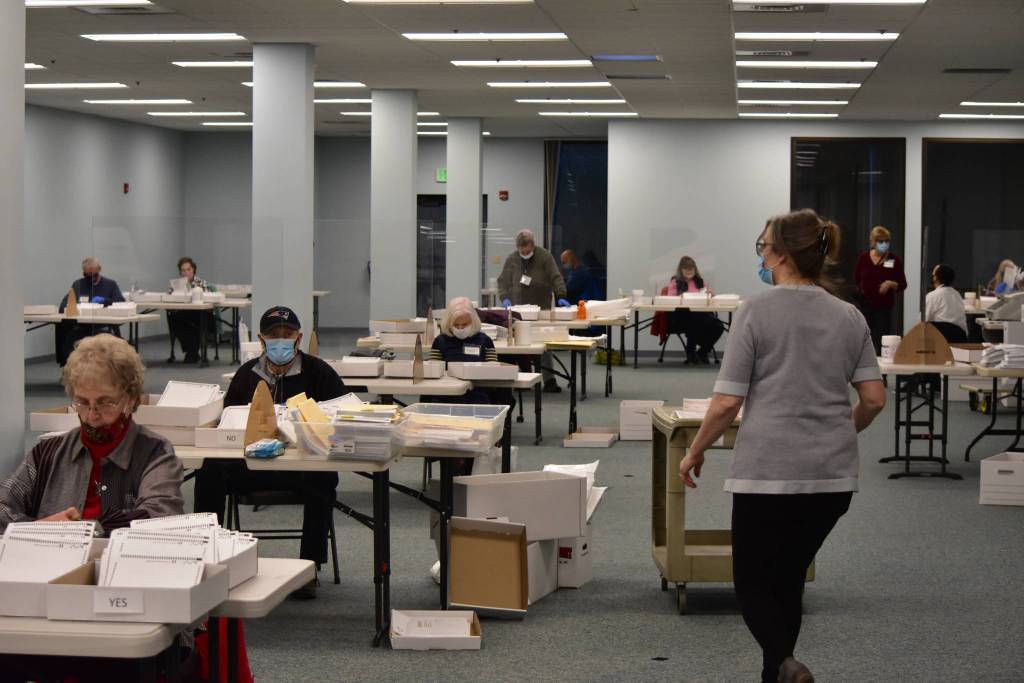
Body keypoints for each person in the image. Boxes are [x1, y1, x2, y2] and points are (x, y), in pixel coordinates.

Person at [678, 209, 886, 683]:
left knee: (751, 583)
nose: (761, 253)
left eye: (763, 245)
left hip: (766, 473)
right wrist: (839, 432)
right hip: (832, 479)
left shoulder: (755, 311)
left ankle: (786, 664)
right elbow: (874, 399)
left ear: (781, 254)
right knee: (788, 577)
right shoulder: (850, 315)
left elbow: (728, 402)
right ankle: (777, 674)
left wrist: (696, 451)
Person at [193, 306, 346, 598]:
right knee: (209, 468)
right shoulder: (246, 375)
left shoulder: (319, 373)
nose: (280, 340)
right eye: (273, 335)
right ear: (262, 340)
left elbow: (342, 414)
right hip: (250, 467)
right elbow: (228, 419)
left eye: (287, 334)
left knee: (324, 478)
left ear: (298, 338)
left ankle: (308, 567)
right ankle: (207, 561)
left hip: (301, 468)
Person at [1, 334, 184, 532]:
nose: (92, 415)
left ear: (130, 399)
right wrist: (39, 528)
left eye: (105, 403)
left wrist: (85, 530)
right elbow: (3, 506)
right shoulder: (47, 453)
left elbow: (160, 516)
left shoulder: (154, 452)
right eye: (82, 402)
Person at [429, 298, 514, 475]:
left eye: (465, 324)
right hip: (448, 398)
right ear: (449, 323)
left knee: (477, 413)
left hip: (478, 396)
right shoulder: (441, 342)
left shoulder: (484, 341)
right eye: (456, 325)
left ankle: (468, 463)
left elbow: (493, 372)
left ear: (473, 322)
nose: (461, 328)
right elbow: (433, 371)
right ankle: (454, 465)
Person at [497, 229, 569, 392]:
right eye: (522, 251)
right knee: (519, 345)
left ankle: (549, 380)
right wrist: (504, 298)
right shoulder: (512, 259)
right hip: (518, 309)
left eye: (528, 250)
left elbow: (555, 276)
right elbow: (502, 281)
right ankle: (524, 378)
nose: (525, 253)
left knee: (543, 345)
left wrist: (561, 294)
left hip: (540, 308)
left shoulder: (544, 256)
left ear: (533, 245)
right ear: (517, 248)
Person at [55, 257, 126, 366]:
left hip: (104, 326)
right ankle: (67, 364)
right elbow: (64, 304)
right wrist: (76, 307)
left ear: (99, 270)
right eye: (86, 275)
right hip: (82, 326)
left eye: (93, 275)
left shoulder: (110, 284)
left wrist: (105, 301)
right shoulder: (78, 284)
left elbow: (121, 302)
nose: (90, 278)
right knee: (63, 330)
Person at [854, 226, 907, 354]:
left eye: (887, 241)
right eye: (881, 241)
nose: (884, 244)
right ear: (873, 242)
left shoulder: (894, 260)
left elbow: (903, 284)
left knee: (881, 339)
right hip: (865, 305)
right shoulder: (864, 258)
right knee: (865, 338)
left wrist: (890, 283)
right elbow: (856, 279)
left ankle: (881, 371)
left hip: (883, 308)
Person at [666, 256, 725, 365]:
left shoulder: (700, 281)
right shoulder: (675, 282)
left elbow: (706, 297)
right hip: (682, 316)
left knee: (719, 326)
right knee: (694, 321)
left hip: (702, 314)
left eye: (691, 269)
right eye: (686, 269)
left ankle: (702, 351)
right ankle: (691, 352)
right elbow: (670, 298)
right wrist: (682, 296)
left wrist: (710, 295)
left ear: (695, 269)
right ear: (681, 269)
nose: (689, 271)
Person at [167, 256, 213, 363]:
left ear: (193, 269)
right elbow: (168, 297)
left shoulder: (201, 283)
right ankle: (191, 351)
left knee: (192, 322)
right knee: (172, 318)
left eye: (188, 269)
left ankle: (191, 352)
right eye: (183, 270)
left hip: (198, 314)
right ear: (180, 272)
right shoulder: (176, 284)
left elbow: (207, 299)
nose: (186, 272)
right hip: (182, 313)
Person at [925, 263, 967, 343]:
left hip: (940, 339)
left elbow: (923, 320)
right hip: (960, 337)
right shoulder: (957, 294)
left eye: (933, 274)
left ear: (936, 278)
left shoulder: (933, 295)